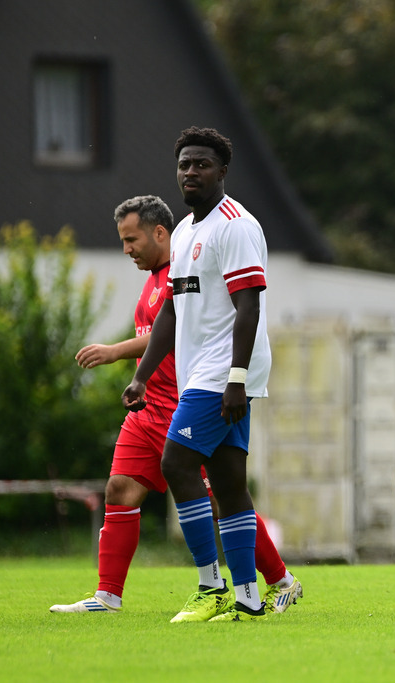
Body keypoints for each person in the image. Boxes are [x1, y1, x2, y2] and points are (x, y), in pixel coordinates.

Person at [50, 195, 300, 615]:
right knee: (120, 489)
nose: (126, 249)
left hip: (188, 398)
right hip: (150, 407)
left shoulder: (193, 264)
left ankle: (274, 581)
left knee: (224, 493)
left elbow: (184, 322)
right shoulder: (157, 276)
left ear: (159, 232)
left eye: (132, 239)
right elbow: (166, 322)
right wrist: (140, 380)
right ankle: (107, 596)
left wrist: (115, 352)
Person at [122, 126, 274, 622]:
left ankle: (211, 585)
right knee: (229, 482)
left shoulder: (236, 226)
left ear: (222, 171)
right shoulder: (186, 230)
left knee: (176, 464)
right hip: (202, 372)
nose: (191, 171)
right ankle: (249, 597)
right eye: (185, 163)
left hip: (222, 371)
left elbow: (248, 307)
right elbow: (169, 311)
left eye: (202, 164)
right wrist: (143, 375)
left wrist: (236, 376)